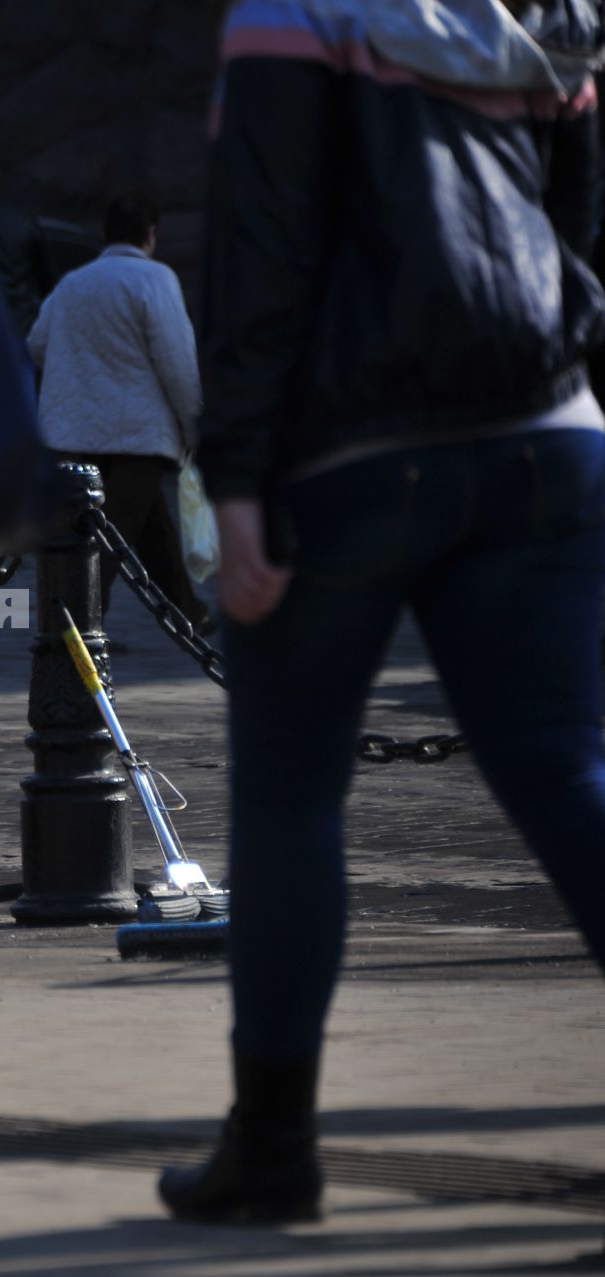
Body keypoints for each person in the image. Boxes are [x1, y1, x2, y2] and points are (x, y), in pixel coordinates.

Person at [161, 0, 605, 1225]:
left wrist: (238, 476)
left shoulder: (291, 14)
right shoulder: (537, 12)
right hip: (545, 432)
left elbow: (265, 246)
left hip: (344, 454)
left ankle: (272, 1147)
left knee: (293, 796)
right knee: (572, 778)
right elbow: (572, 221)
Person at [27, 192, 211, 630]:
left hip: (70, 435)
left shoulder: (74, 282)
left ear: (106, 234)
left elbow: (36, 344)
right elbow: (177, 360)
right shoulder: (154, 279)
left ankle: (190, 611)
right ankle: (76, 626)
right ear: (151, 234)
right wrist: (194, 422)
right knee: (114, 537)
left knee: (147, 529)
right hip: (137, 437)